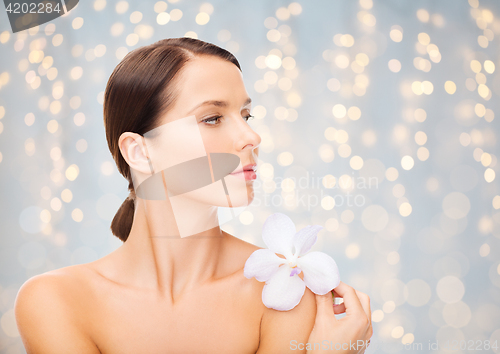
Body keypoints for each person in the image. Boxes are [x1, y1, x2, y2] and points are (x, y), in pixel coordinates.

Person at [14, 37, 372, 353]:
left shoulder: (283, 288)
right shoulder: (56, 301)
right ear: (139, 151)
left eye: (247, 114)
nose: (251, 137)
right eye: (213, 118)